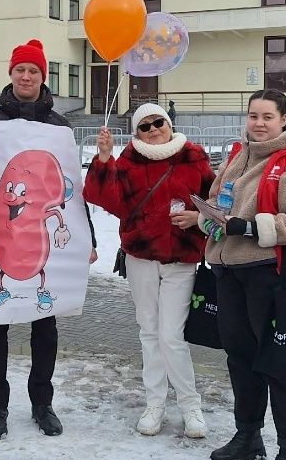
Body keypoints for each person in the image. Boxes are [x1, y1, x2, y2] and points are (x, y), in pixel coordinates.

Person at [202, 89, 286, 460]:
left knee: (283, 366)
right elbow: (217, 201)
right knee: (240, 359)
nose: (258, 123)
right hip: (230, 273)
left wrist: (248, 227)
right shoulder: (238, 155)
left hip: (272, 275)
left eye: (267, 117)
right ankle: (248, 435)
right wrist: (209, 218)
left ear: (284, 120)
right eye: (253, 115)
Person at [0, 39, 97, 440]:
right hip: (2, 234)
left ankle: (42, 403)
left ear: (42, 77)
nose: (26, 77)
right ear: (10, 74)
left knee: (45, 326)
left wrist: (85, 238)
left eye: (33, 71)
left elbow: (71, 189)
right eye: (20, 70)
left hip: (42, 237)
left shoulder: (59, 127)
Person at [84, 102, 213, 438]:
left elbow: (215, 201)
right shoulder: (129, 160)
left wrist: (198, 218)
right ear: (136, 132)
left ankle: (190, 405)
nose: (154, 129)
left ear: (169, 124)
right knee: (149, 332)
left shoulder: (193, 156)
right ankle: (155, 403)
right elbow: (107, 199)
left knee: (171, 335)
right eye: (145, 126)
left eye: (159, 122)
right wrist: (104, 158)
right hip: (141, 257)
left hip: (180, 258)